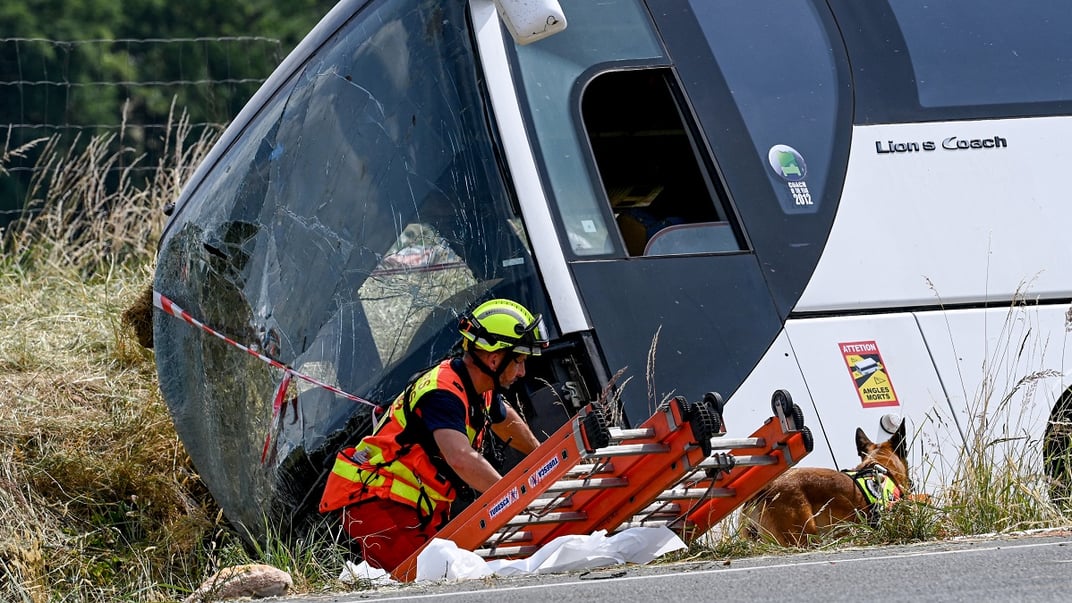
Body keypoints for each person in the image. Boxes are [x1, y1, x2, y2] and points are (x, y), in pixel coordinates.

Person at [319, 298, 547, 571]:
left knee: (446, 575)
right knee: (425, 581)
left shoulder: (479, 386)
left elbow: (503, 418)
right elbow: (461, 457)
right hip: (378, 502)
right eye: (519, 361)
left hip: (411, 507)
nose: (522, 371)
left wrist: (540, 455)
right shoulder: (442, 393)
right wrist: (513, 497)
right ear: (494, 358)